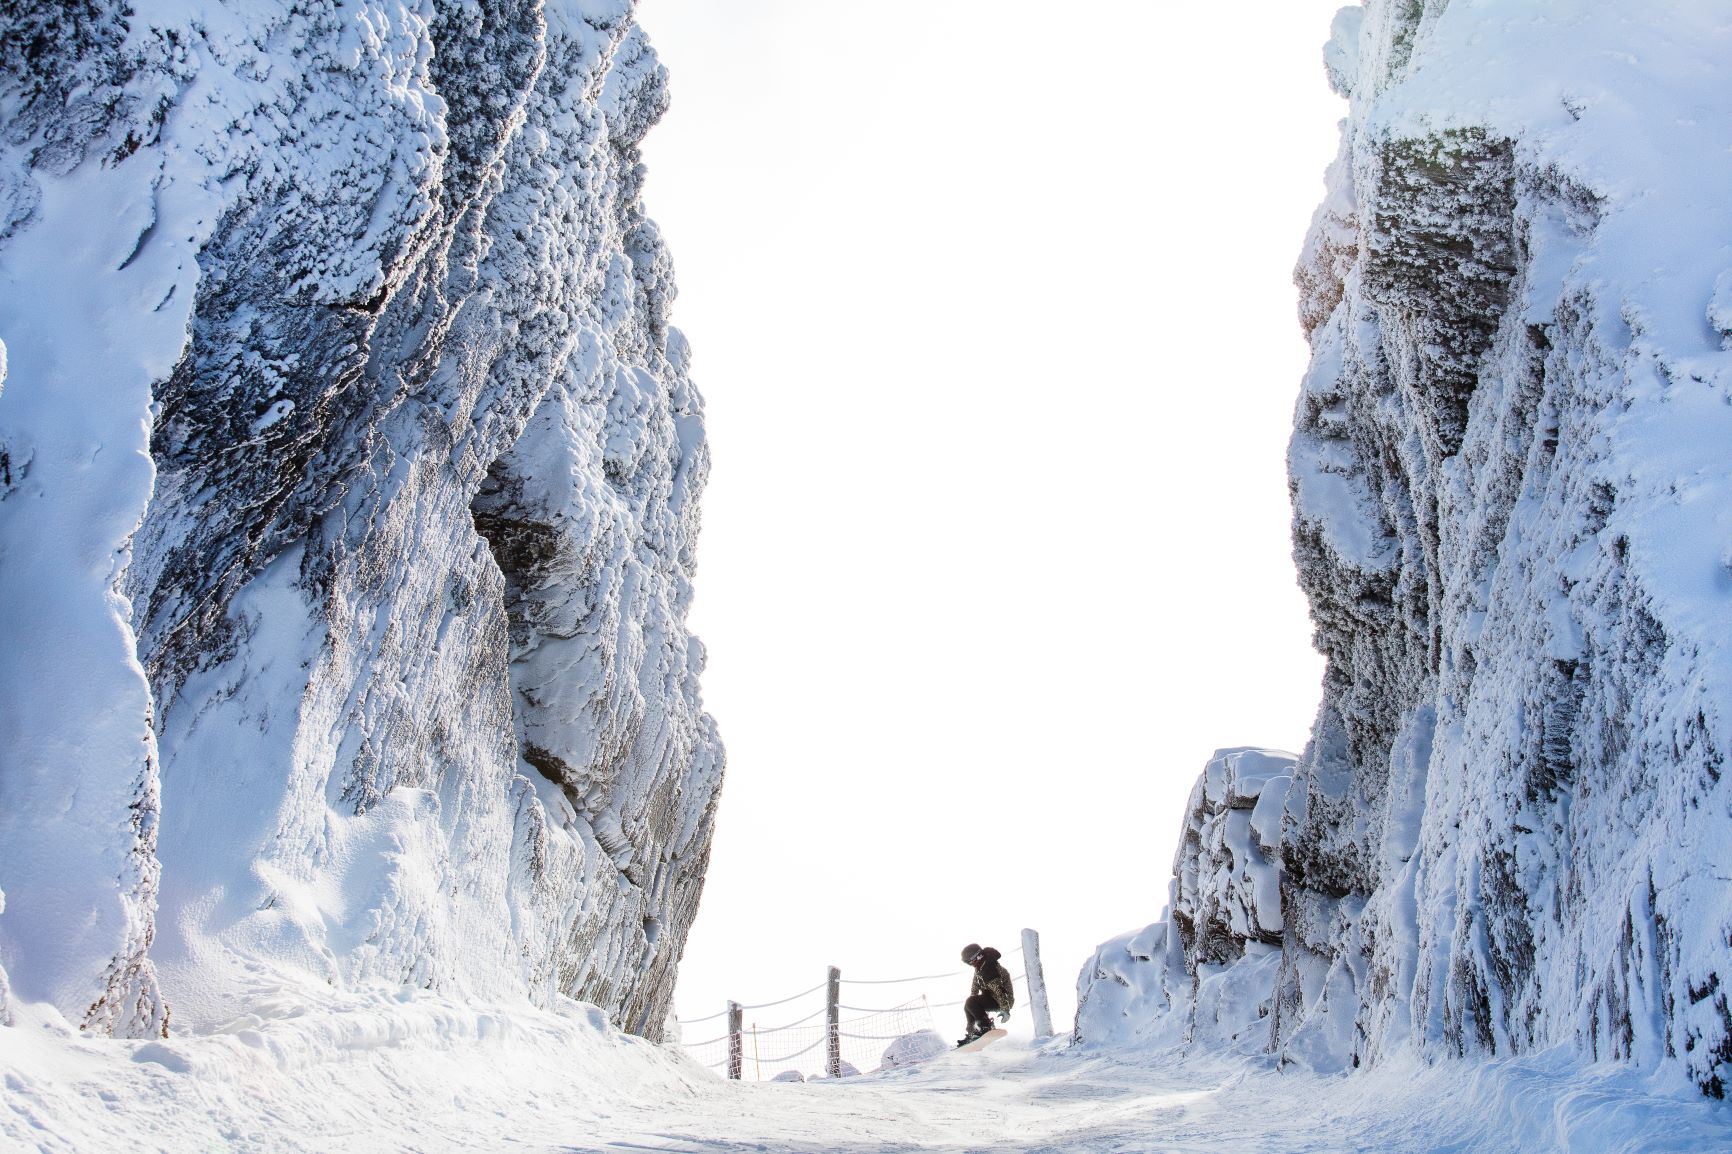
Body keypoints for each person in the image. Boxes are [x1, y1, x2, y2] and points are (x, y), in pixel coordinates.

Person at [957, 942, 1014, 1045]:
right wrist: (973, 1006)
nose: (971, 964)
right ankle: (973, 1032)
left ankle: (986, 1027)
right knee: (968, 1004)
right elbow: (975, 985)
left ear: (976, 958)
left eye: (970, 962)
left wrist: (1005, 1009)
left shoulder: (988, 968)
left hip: (1002, 1000)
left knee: (971, 1002)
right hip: (992, 997)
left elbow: (999, 990)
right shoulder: (980, 967)